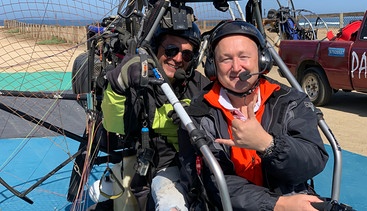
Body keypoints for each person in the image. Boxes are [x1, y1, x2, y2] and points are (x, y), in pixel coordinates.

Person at [178, 20, 329, 210]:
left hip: (291, 199)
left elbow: (313, 162)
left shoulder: (290, 101)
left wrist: (267, 145)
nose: (236, 67)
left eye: (244, 56)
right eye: (226, 59)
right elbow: (208, 183)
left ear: (262, 60)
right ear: (212, 66)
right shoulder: (198, 114)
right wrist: (277, 204)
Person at [103, 19, 211, 211]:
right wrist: (118, 84)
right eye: (171, 50)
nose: (178, 59)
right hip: (164, 168)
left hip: (199, 166)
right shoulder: (140, 81)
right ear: (156, 48)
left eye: (186, 54)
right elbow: (114, 125)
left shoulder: (198, 84)